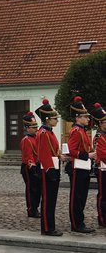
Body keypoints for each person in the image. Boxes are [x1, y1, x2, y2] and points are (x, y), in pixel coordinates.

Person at [66, 96, 95, 234]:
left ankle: (80, 221)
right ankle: (76, 224)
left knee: (82, 196)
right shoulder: (76, 131)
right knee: (76, 196)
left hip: (84, 166)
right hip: (77, 167)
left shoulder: (82, 130)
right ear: (78, 118)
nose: (88, 119)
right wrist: (87, 155)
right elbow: (71, 150)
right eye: (85, 117)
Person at [36, 99, 63, 236]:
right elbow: (43, 154)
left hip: (53, 168)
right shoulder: (43, 133)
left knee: (52, 200)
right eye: (54, 119)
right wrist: (49, 170)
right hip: (48, 170)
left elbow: (53, 151)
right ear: (47, 119)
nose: (56, 121)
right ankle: (47, 228)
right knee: (47, 200)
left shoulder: (49, 132)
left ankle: (50, 226)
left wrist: (59, 156)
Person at [19, 112, 41, 219]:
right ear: (27, 128)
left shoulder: (37, 138)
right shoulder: (26, 140)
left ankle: (35, 207)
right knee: (31, 189)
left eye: (36, 126)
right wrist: (32, 166)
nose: (36, 129)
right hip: (29, 168)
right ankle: (31, 209)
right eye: (33, 127)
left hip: (37, 165)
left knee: (38, 189)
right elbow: (28, 155)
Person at [91, 103, 106, 229]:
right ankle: (102, 218)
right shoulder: (99, 137)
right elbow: (102, 154)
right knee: (103, 195)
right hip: (102, 169)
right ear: (101, 123)